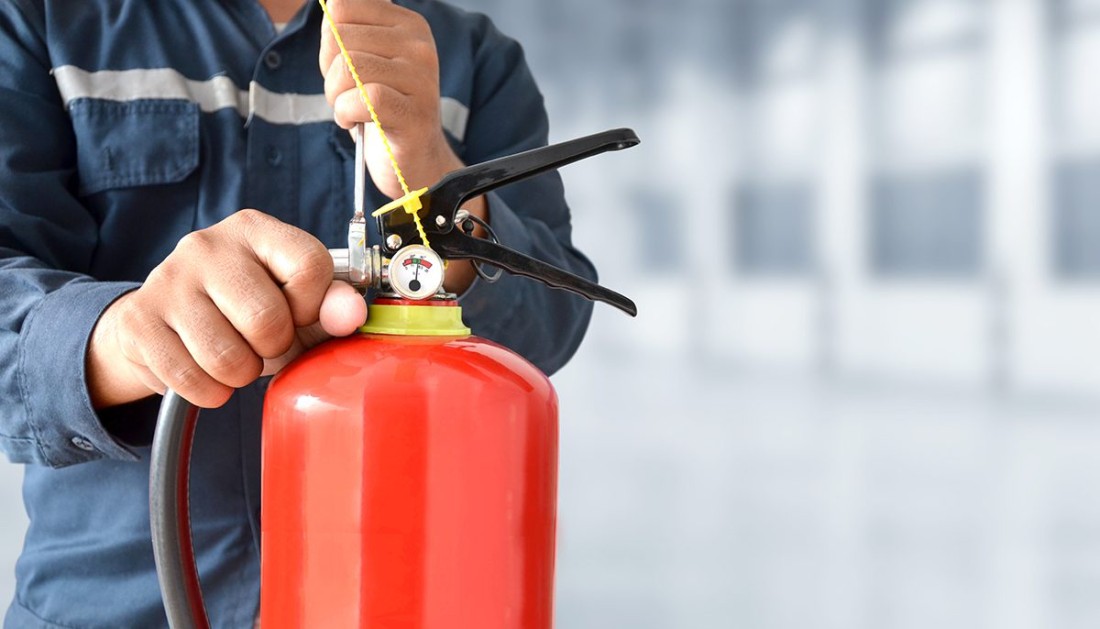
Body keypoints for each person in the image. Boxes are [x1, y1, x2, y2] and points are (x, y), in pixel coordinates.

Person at [0, 0, 598, 625]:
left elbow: (550, 328)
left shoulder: (472, 60)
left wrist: (436, 173)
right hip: (106, 606)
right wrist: (130, 336)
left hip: (403, 600)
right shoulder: (45, 22)